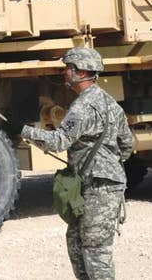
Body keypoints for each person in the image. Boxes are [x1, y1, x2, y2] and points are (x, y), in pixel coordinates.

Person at [20, 47, 135, 280]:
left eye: (69, 69)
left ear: (82, 72)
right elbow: (127, 145)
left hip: (100, 187)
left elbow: (60, 141)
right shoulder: (111, 104)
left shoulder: (83, 107)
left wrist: (22, 130)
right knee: (75, 243)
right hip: (92, 184)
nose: (65, 73)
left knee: (95, 249)